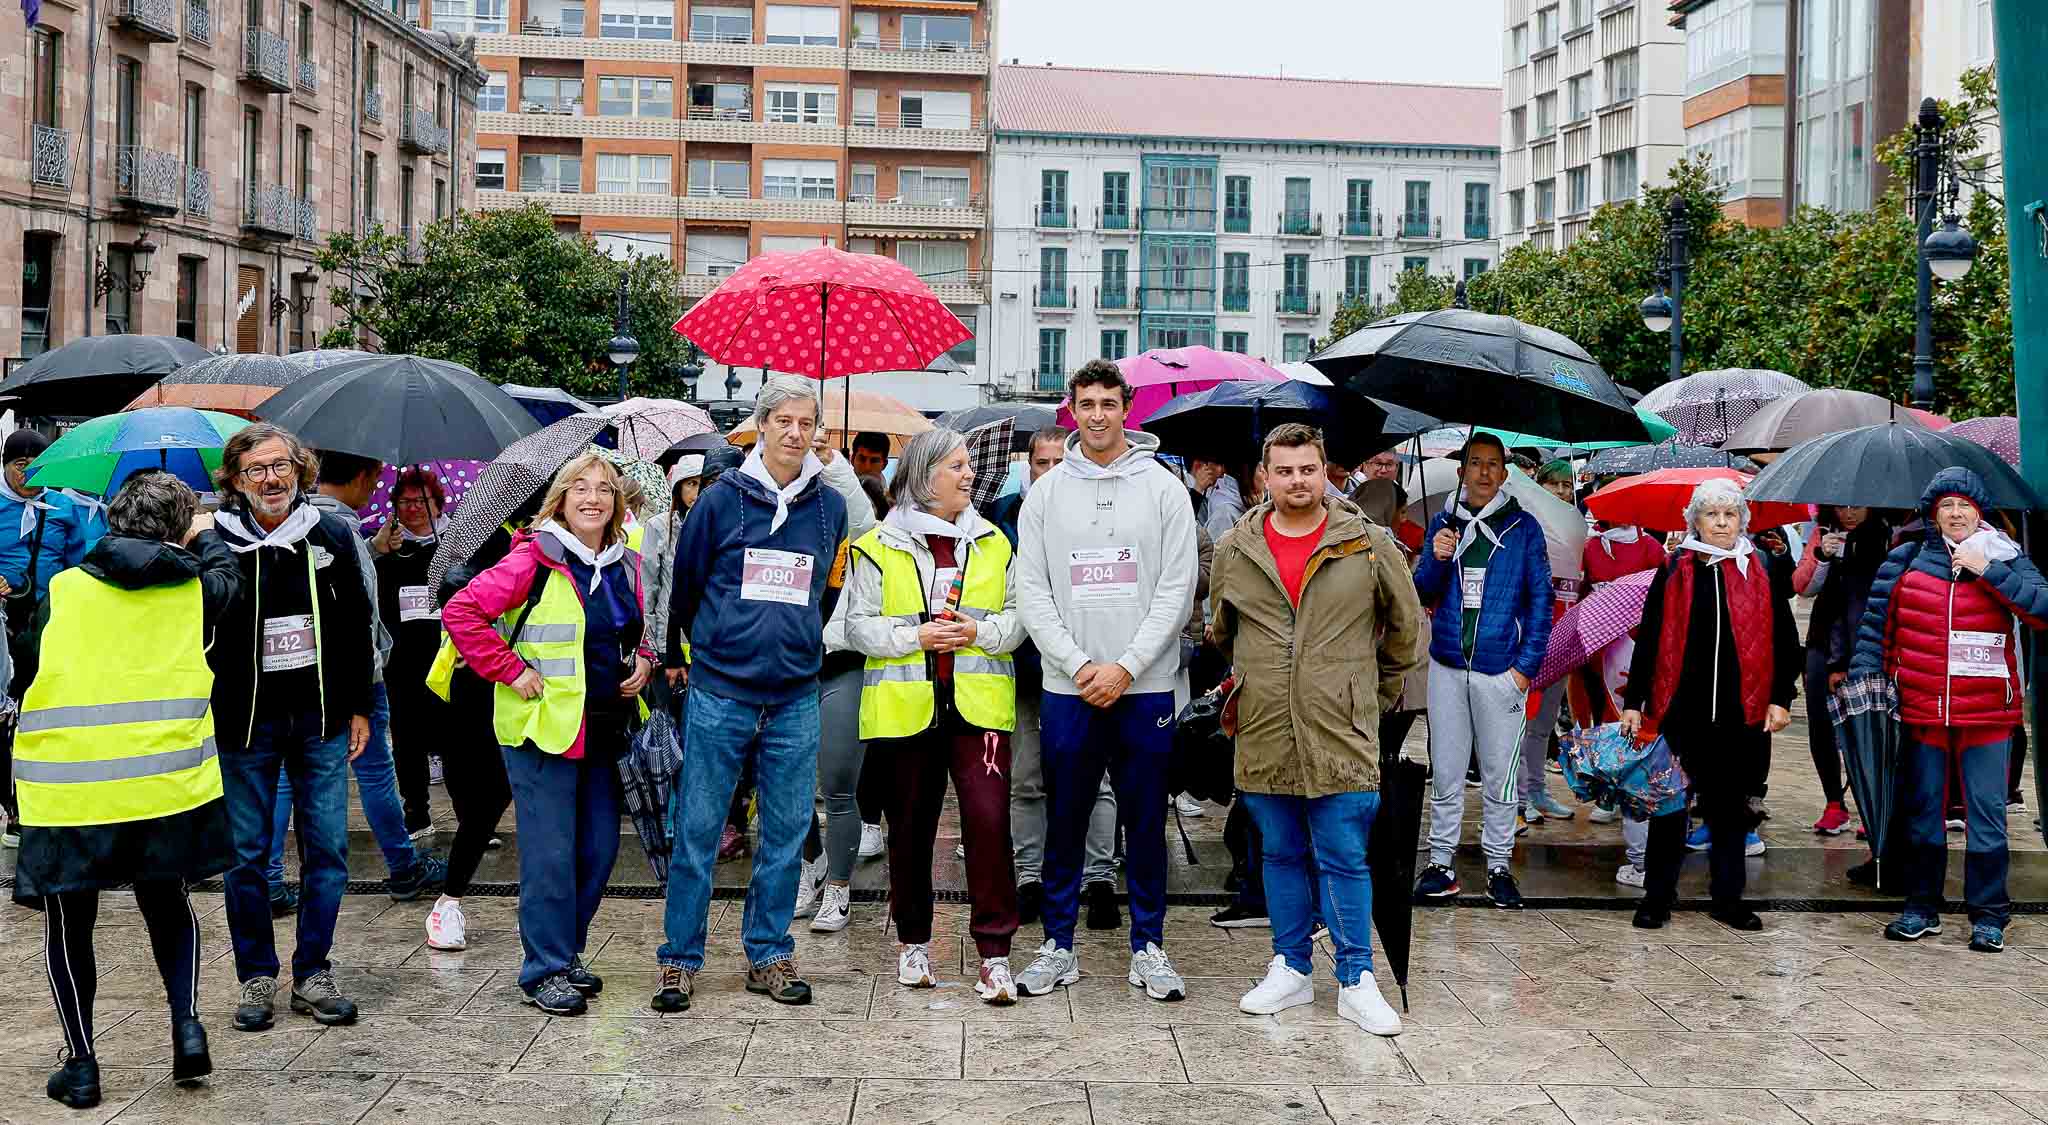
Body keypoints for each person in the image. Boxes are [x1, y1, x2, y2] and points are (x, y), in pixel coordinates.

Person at [14, 471, 239, 1109]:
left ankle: (82, 1064)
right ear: (178, 530)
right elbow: (229, 577)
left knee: (69, 920)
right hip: (163, 784)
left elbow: (28, 666)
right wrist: (206, 531)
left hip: (71, 790)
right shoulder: (197, 590)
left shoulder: (62, 591)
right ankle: (186, 1025)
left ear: (113, 522)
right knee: (167, 903)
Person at [1209, 423, 1423, 1036]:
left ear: (1325, 471)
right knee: (1278, 853)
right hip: (1266, 725)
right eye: (1284, 471)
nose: (1296, 481)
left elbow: (1405, 632)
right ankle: (1292, 966)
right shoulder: (1236, 548)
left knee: (1345, 856)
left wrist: (1368, 694)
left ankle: (1357, 978)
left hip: (1341, 727)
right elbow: (1222, 630)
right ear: (1265, 476)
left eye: (1307, 469)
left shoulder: (1366, 543)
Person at [656, 376, 849, 1012]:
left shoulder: (830, 508)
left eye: (806, 423)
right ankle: (679, 959)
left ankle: (767, 953)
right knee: (700, 828)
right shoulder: (719, 502)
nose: (795, 434)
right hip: (721, 691)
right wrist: (709, 648)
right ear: (760, 425)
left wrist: (794, 643)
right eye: (783, 421)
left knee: (789, 830)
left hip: (795, 693)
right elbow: (686, 590)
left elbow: (825, 589)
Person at [1012, 359, 1199, 1002]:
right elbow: (1031, 592)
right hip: (1070, 688)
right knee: (1065, 819)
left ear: (1128, 409)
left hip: (1144, 687)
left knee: (1144, 822)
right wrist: (1079, 665)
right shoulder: (1045, 492)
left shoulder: (1164, 488)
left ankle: (1149, 947)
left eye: (1108, 403)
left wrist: (1126, 666)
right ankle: (1058, 946)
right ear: (1071, 409)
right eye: (1086, 403)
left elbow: (1178, 589)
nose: (1097, 415)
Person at [442, 451, 653, 1014]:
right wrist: (512, 670)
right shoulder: (532, 560)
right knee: (550, 856)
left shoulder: (627, 565)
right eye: (580, 488)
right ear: (559, 499)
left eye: (604, 489)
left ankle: (567, 951)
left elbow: (645, 628)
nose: (593, 498)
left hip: (605, 732)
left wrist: (646, 661)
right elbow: (462, 612)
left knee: (600, 851)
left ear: (616, 503)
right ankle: (544, 968)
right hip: (542, 732)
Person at [845, 427, 1028, 1002]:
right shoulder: (877, 544)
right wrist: (913, 636)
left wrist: (978, 631)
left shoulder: (994, 542)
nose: (968, 474)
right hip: (906, 710)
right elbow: (856, 626)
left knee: (989, 823)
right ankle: (913, 945)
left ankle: (995, 954)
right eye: (955, 466)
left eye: (968, 465)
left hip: (979, 708)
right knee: (911, 829)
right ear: (924, 479)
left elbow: (1020, 618)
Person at [210, 424, 374, 1033]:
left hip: (321, 719)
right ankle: (256, 975)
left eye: (281, 466)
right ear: (236, 480)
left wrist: (360, 704)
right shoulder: (218, 544)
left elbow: (358, 623)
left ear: (300, 470)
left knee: (327, 849)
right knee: (248, 855)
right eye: (257, 470)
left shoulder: (330, 532)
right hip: (244, 724)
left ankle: (313, 971)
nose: (272, 479)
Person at [1852, 468, 2048, 952]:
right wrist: (1865, 682)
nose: (1956, 514)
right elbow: (1876, 629)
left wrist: (1989, 570)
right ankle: (1922, 906)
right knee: (1923, 812)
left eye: (1964, 505)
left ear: (1979, 511)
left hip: (1987, 714)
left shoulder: (2006, 557)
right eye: (1946, 506)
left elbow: (2042, 609)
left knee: (1986, 815)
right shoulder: (1905, 561)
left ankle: (1989, 914)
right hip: (1922, 711)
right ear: (1932, 514)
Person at [263, 451, 444, 910]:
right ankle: (403, 868)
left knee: (286, 774)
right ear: (363, 477)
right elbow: (361, 613)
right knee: (375, 772)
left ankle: (267, 878)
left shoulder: (280, 523)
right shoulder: (342, 528)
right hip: (354, 677)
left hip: (292, 672)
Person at [1620, 478, 1801, 932]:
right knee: (1670, 808)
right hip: (1681, 710)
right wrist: (1634, 701)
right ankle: (1657, 898)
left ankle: (1728, 899)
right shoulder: (1676, 567)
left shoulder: (1760, 566)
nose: (1721, 522)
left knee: (1730, 809)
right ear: (1694, 520)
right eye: (1711, 514)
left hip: (1742, 712)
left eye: (1729, 514)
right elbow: (1652, 634)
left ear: (1742, 520)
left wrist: (1782, 697)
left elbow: (1785, 639)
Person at [1411, 433, 1551, 908]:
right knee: (1447, 770)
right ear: (1462, 471)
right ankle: (1441, 861)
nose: (1485, 473)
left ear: (1505, 473)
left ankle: (1497, 863)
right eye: (1476, 463)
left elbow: (1540, 602)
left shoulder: (1523, 528)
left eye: (1494, 464)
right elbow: (1422, 589)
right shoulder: (1444, 523)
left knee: (1499, 773)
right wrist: (1436, 556)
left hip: (1500, 670)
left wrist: (1525, 669)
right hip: (1448, 664)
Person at [988, 427, 1121, 925]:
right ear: (1028, 467)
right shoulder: (1001, 519)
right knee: (1026, 778)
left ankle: (1100, 877)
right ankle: (1028, 876)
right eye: (1040, 463)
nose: (1048, 471)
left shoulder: (1091, 511)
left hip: (1088, 665)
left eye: (1055, 462)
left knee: (1097, 778)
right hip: (1024, 669)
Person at [791, 433, 878, 930]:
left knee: (839, 785)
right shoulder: (778, 523)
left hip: (843, 664)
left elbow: (865, 520)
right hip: (788, 669)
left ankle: (840, 888)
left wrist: (833, 462)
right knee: (789, 788)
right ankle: (812, 863)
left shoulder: (855, 532)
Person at [0, 428, 101, 850]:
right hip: (3, 623)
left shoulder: (61, 507)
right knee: (5, 716)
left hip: (52, 622)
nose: (29, 475)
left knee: (46, 712)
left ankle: (49, 800)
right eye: (21, 466)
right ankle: (15, 808)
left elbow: (82, 563)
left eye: (38, 467)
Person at [1793, 505, 1893, 837]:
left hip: (1867, 643)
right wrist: (1823, 555)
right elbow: (1802, 586)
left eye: (1857, 506)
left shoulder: (1887, 537)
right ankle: (1834, 802)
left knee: (1865, 727)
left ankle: (1870, 804)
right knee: (1821, 725)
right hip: (1822, 641)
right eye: (1842, 506)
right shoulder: (1823, 535)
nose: (1849, 513)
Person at [1189, 454, 1245, 545]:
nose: (1222, 471)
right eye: (1218, 464)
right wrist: (1197, 491)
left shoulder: (1224, 492)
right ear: (1200, 465)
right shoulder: (1187, 492)